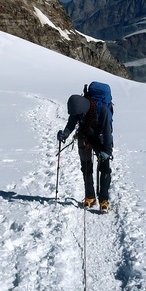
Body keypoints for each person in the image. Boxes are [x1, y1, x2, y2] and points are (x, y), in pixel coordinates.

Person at [57, 83, 114, 211]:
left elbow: (107, 131)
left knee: (104, 168)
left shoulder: (102, 110)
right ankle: (90, 196)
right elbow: (71, 123)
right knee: (86, 167)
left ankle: (104, 199)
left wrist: (107, 151)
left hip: (100, 139)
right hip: (85, 136)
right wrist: (64, 134)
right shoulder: (78, 108)